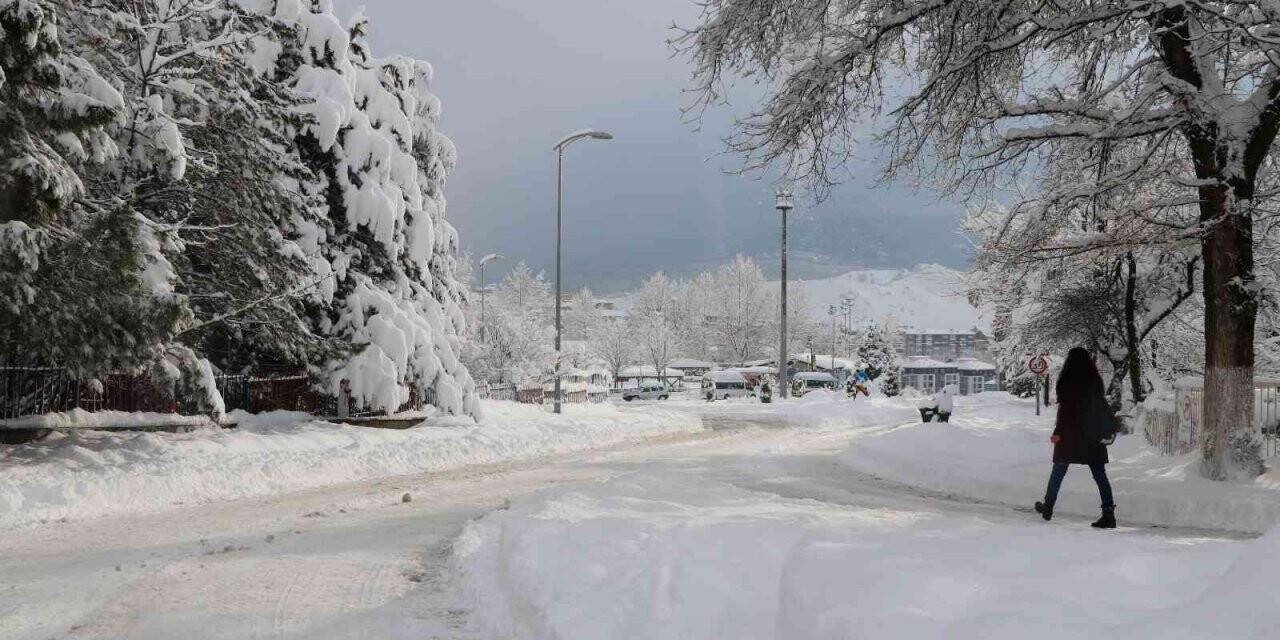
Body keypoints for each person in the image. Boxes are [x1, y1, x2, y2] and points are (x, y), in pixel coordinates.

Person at [1034, 347, 1118, 528]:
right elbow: (1101, 405)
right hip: (1092, 435)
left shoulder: (1066, 380)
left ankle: (1048, 507)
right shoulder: (1095, 380)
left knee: (1058, 471)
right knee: (1100, 475)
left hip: (1069, 436)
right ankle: (1108, 513)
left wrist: (1057, 432)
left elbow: (1064, 411)